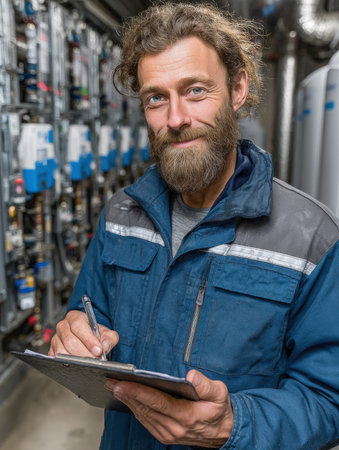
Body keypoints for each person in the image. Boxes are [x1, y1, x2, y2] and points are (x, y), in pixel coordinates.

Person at [49, 3, 339, 449]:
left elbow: (327, 400)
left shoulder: (312, 239)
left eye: (196, 90)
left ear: (238, 88)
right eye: (156, 97)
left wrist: (234, 424)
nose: (176, 118)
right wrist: (74, 331)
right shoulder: (120, 215)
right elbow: (89, 314)